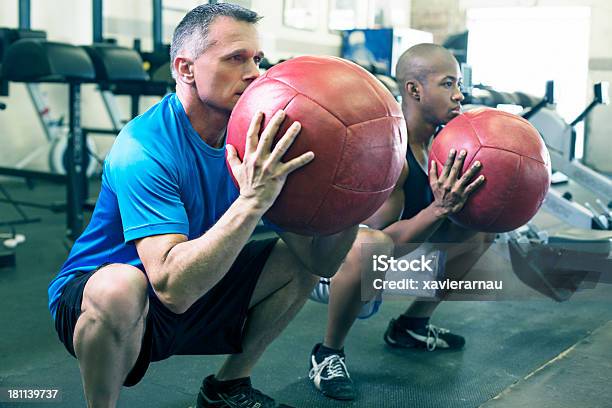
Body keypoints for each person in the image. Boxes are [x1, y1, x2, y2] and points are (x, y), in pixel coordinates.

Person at [47, 4, 358, 408]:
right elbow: (172, 289)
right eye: (235, 58)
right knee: (119, 287)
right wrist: (252, 201)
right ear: (186, 68)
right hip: (115, 295)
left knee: (292, 260)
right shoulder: (144, 147)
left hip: (195, 278)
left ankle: (227, 387)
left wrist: (356, 192)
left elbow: (321, 263)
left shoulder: (258, 140)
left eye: (256, 59)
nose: (255, 73)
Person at [308, 43, 493, 400]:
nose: (459, 94)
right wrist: (440, 209)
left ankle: (411, 325)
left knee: (480, 228)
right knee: (369, 246)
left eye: (458, 84)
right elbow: (377, 240)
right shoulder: (393, 153)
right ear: (414, 90)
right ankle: (328, 353)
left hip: (391, 261)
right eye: (447, 84)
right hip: (335, 270)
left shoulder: (441, 144)